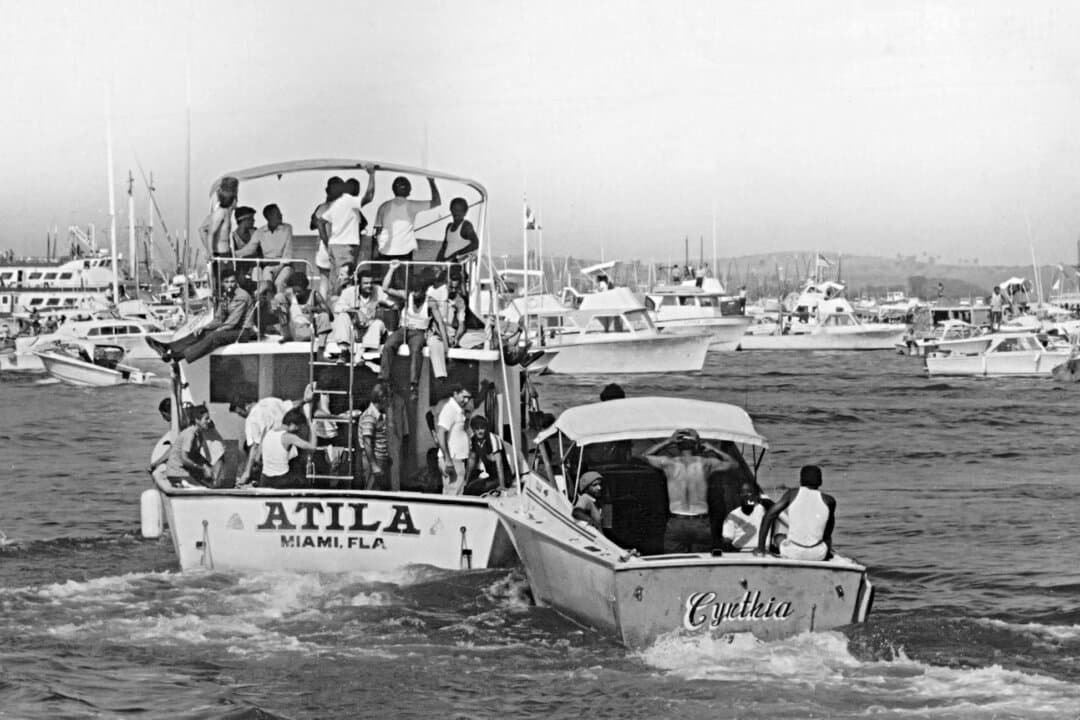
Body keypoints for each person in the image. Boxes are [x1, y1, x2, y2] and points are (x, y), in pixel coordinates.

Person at [643, 428, 737, 553]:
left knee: (674, 561)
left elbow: (644, 456)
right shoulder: (706, 464)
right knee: (701, 561)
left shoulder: (668, 463)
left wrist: (668, 441)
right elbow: (733, 464)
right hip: (700, 521)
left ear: (677, 445)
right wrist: (713, 448)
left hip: (677, 521)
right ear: (696, 445)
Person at [146, 269, 255, 364]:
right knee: (201, 332)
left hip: (242, 332)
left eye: (232, 281)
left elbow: (231, 323)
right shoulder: (226, 296)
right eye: (227, 282)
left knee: (214, 337)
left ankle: (176, 356)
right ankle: (168, 347)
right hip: (231, 329)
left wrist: (215, 330)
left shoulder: (241, 296)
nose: (230, 285)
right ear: (222, 283)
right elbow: (219, 319)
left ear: (236, 282)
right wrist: (204, 327)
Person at [379, 261, 450, 399]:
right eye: (414, 291)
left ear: (424, 290)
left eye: (418, 291)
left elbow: (440, 323)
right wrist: (392, 269)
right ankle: (384, 379)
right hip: (403, 329)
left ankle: (413, 385)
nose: (415, 294)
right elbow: (385, 288)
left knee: (416, 349)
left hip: (419, 332)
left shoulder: (430, 302)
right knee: (389, 344)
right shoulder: (408, 295)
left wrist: (446, 345)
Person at [233, 385, 315, 486]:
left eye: (240, 412)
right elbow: (292, 405)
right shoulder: (271, 401)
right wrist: (305, 400)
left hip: (271, 463)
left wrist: (246, 473)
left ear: (246, 406)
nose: (241, 416)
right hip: (290, 453)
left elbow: (254, 447)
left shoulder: (251, 420)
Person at [757, 465, 836, 561]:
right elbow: (828, 531)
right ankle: (827, 555)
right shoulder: (829, 500)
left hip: (792, 553)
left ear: (801, 481)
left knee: (778, 537)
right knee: (827, 537)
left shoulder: (792, 494)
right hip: (817, 555)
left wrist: (760, 548)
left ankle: (762, 551)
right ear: (821, 481)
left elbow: (769, 515)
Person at [318, 170, 376, 289]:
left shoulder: (337, 203)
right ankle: (341, 300)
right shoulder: (349, 201)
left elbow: (320, 221)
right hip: (345, 246)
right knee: (344, 281)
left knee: (336, 279)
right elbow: (369, 196)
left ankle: (335, 299)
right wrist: (372, 174)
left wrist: (326, 241)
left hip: (335, 246)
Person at [374, 175, 441, 271]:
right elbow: (437, 202)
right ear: (409, 190)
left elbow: (378, 231)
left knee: (386, 279)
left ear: (393, 189)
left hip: (385, 252)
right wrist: (431, 181)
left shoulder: (383, 206)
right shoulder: (411, 205)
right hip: (404, 253)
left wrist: (380, 249)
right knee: (404, 281)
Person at [328, 266, 391, 358]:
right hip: (354, 330)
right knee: (343, 316)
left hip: (372, 331)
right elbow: (337, 308)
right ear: (359, 284)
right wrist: (355, 311)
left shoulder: (378, 290)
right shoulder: (348, 292)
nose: (369, 285)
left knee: (378, 323)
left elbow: (393, 305)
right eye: (366, 283)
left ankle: (359, 355)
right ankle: (344, 351)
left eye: (371, 283)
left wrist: (380, 303)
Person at [235, 203, 294, 293]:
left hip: (284, 266)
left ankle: (278, 300)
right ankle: (261, 299)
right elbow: (249, 249)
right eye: (277, 213)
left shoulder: (287, 228)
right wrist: (233, 254)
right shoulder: (260, 232)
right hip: (268, 266)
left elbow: (288, 254)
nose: (281, 215)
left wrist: (277, 265)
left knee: (278, 282)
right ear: (268, 217)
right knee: (260, 273)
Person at [259, 408, 320, 489]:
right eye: (297, 427)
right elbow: (312, 447)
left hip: (264, 479)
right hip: (281, 479)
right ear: (292, 424)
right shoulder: (288, 437)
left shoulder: (268, 432)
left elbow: (258, 455)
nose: (297, 430)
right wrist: (313, 429)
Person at [163, 405, 220, 487]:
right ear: (197, 420)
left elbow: (195, 455)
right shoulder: (190, 434)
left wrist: (208, 466)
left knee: (211, 485)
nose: (209, 421)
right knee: (203, 489)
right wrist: (202, 468)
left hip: (185, 471)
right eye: (206, 419)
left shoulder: (199, 434)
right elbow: (184, 459)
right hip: (177, 472)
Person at [311, 176, 345, 299]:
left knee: (324, 283)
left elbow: (313, 225)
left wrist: (327, 243)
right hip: (339, 249)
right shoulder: (346, 207)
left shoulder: (322, 208)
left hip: (325, 248)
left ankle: (324, 307)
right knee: (340, 283)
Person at [436, 385, 473, 495]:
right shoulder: (450, 409)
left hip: (457, 459)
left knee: (455, 493)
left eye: (469, 398)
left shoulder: (458, 409)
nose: (466, 401)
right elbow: (440, 434)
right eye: (464, 397)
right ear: (455, 394)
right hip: (452, 460)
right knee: (452, 496)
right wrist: (448, 460)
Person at [720, 481, 775, 552]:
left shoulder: (764, 509)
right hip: (741, 553)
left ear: (755, 495)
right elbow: (727, 540)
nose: (746, 495)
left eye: (749, 492)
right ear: (739, 495)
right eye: (743, 492)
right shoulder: (732, 515)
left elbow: (776, 508)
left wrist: (761, 499)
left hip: (763, 552)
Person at [464, 415, 510, 494]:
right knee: (470, 488)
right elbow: (471, 462)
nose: (480, 431)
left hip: (504, 477)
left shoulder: (493, 438)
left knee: (478, 489)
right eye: (477, 429)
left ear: (486, 428)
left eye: (482, 428)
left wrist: (502, 486)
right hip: (491, 476)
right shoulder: (473, 439)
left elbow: (499, 464)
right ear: (473, 429)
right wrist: (466, 482)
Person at [359, 383, 391, 490]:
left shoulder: (379, 415)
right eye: (388, 397)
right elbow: (367, 442)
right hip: (374, 460)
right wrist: (374, 465)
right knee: (372, 491)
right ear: (383, 398)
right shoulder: (370, 415)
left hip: (380, 459)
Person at [198, 176, 238, 258]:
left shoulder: (227, 212)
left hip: (226, 253)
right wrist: (210, 252)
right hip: (220, 254)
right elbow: (207, 232)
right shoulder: (220, 212)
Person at [435, 197, 480, 264]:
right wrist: (437, 263)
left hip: (457, 264)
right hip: (446, 263)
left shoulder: (466, 226)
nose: (456, 213)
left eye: (460, 210)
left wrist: (456, 255)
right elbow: (444, 247)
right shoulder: (449, 226)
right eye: (454, 209)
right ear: (451, 210)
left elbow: (475, 244)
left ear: (465, 212)